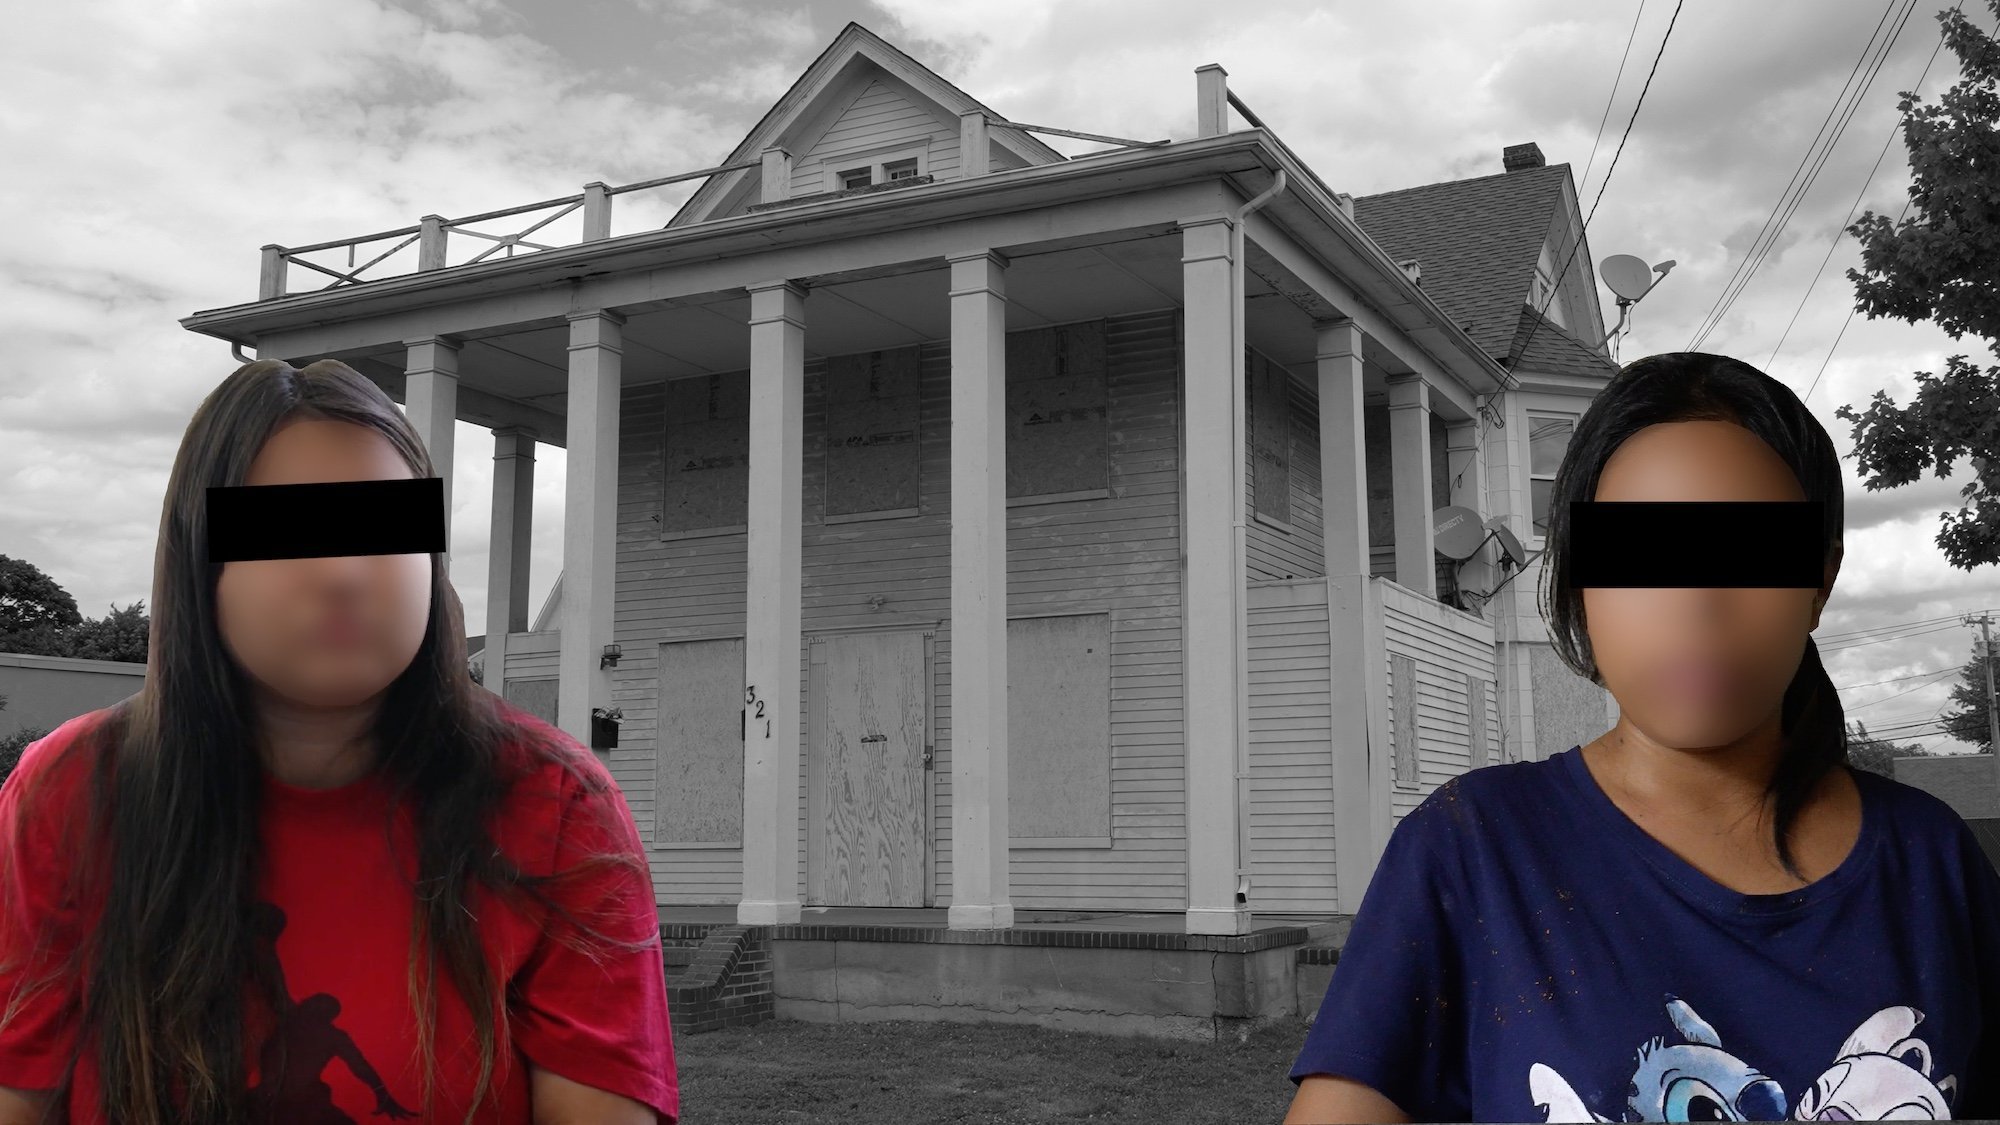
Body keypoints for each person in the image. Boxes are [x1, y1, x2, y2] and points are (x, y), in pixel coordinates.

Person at [1283, 351, 2000, 1123]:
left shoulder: (1931, 863)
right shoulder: (1471, 851)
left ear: (1820, 580)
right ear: (1581, 583)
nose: (1697, 598)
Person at [0, 359, 678, 1124]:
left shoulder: (555, 804)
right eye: (288, 532)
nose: (345, 574)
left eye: (384, 530)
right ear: (202, 563)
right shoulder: (70, 795)